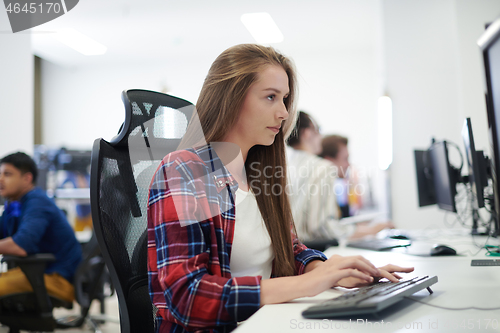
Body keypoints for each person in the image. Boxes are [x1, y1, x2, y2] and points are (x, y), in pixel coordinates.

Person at [147, 44, 413, 333]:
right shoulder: (184, 171)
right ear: (231, 98)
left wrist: (331, 271)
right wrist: (304, 284)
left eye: (285, 99)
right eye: (271, 97)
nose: (284, 113)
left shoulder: (261, 173)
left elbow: (290, 251)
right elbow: (187, 298)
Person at [0, 152, 82, 302]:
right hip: (35, 273)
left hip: (57, 279)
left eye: (7, 174)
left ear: (27, 178)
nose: (1, 179)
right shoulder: (14, 205)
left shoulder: (38, 202)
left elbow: (21, 245)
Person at [320, 135, 394, 236]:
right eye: (345, 159)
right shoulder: (322, 188)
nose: (348, 165)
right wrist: (373, 230)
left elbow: (340, 222)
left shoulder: (338, 186)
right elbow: (331, 231)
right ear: (329, 161)